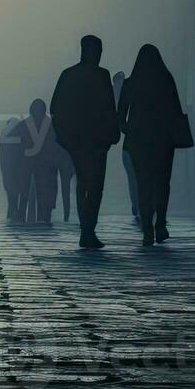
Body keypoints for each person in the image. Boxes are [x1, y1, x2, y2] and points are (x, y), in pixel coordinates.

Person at [50, 35, 119, 249]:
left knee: (86, 184)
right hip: (92, 140)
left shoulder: (71, 75)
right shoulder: (99, 75)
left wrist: (64, 136)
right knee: (93, 184)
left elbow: (55, 108)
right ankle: (88, 229)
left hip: (83, 141)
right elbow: (109, 109)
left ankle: (87, 229)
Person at [118, 44, 190, 245]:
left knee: (143, 184)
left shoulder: (131, 83)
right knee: (162, 183)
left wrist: (129, 130)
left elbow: (121, 114)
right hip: (163, 141)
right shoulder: (166, 81)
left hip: (138, 141)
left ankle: (147, 228)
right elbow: (175, 110)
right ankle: (160, 225)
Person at [22, 99, 58, 224]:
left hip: (29, 163)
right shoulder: (53, 125)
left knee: (25, 191)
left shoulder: (24, 124)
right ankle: (44, 217)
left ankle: (22, 215)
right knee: (47, 192)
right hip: (48, 164)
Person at [114, 70, 139, 221]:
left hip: (130, 142)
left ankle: (136, 204)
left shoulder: (127, 88)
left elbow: (121, 118)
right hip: (149, 141)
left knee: (133, 178)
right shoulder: (159, 83)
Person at [0, 116, 27, 222]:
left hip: (6, 165)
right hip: (19, 165)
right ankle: (17, 213)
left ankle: (11, 212)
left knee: (10, 191)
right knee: (18, 189)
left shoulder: (4, 132)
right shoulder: (20, 132)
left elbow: (2, 153)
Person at [53, 141, 75, 222]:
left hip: (65, 162)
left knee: (65, 191)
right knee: (66, 191)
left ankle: (66, 217)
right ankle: (66, 217)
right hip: (67, 162)